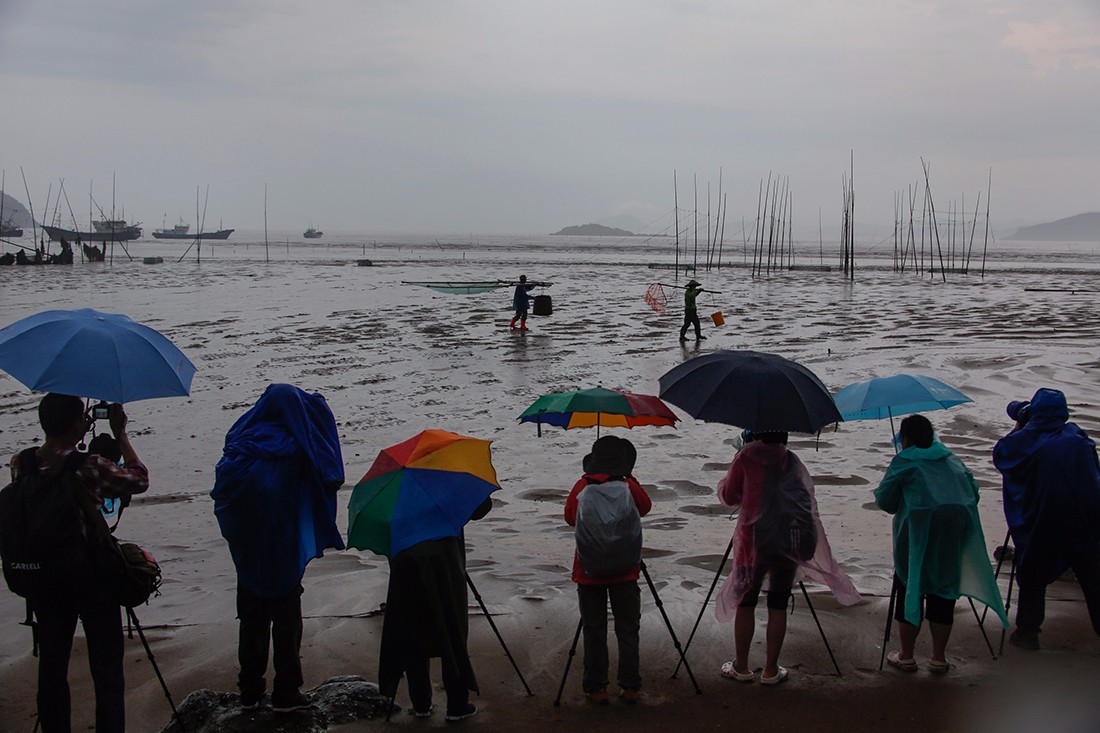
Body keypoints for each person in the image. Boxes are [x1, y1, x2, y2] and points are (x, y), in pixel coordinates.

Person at [9, 393, 149, 733]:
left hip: (43, 579)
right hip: (90, 579)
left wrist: (79, 437)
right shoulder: (90, 466)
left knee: (53, 666)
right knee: (106, 669)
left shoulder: (20, 463)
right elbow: (139, 479)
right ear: (77, 422)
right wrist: (121, 435)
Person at [211, 383, 346, 712]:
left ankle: (250, 691)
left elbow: (223, 495)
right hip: (282, 544)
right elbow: (329, 473)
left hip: (248, 545)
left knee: (251, 615)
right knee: (286, 616)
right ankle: (286, 689)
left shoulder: (240, 443)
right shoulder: (296, 446)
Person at [716, 430, 860, 685]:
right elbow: (803, 502)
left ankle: (741, 666)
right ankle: (771, 670)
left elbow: (729, 496)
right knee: (778, 603)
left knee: (746, 602)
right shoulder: (792, 461)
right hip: (786, 540)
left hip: (752, 543)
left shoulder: (745, 458)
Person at [874, 414, 1007, 672]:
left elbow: (885, 502)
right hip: (951, 535)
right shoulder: (951, 459)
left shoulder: (904, 461)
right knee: (943, 591)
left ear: (905, 438)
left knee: (909, 585)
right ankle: (938, 657)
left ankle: (906, 655)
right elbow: (973, 492)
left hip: (914, 536)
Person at [992, 388, 1100, 650]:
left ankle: (1028, 632)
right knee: (1094, 579)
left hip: (1042, 521)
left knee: (1032, 576)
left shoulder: (1021, 441)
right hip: (1083, 521)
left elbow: (1001, 456)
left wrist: (1019, 428)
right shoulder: (1078, 438)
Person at [378, 497, 492, 721]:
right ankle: (457, 705)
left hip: (406, 565)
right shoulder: (445, 477)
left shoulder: (397, 486)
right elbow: (480, 508)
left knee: (413, 632)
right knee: (452, 629)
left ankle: (421, 703)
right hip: (445, 563)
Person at [564, 435, 651, 705]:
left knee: (594, 629)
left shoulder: (582, 485)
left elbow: (569, 517)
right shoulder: (627, 486)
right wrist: (629, 478)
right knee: (627, 628)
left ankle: (596, 687)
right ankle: (630, 686)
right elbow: (645, 507)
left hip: (588, 571)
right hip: (625, 570)